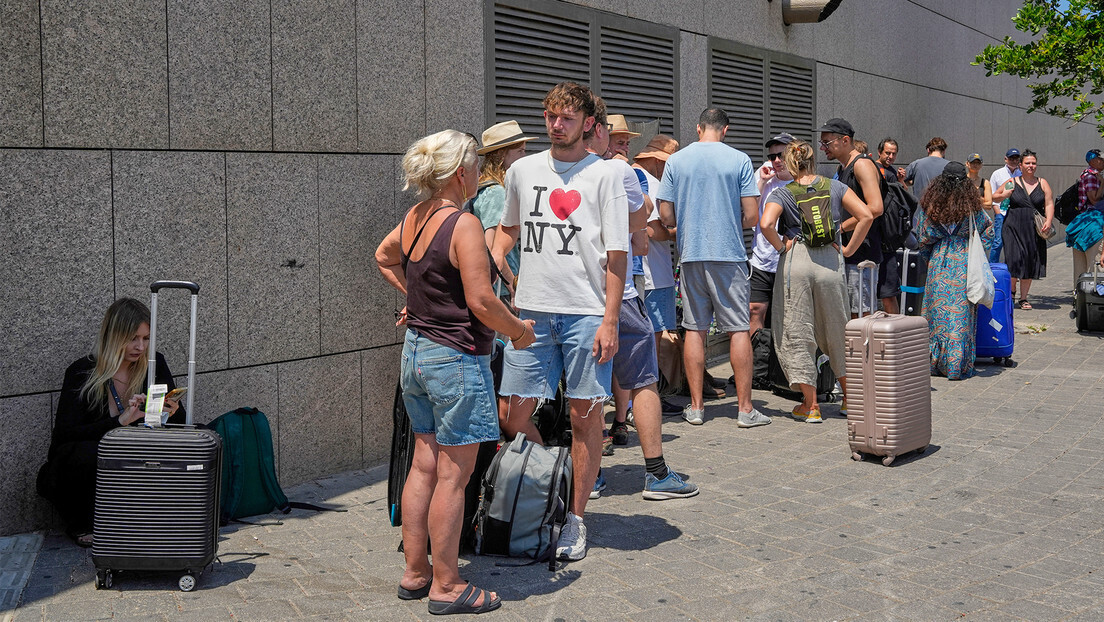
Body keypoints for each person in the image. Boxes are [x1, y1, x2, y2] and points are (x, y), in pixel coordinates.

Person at [375, 129, 536, 614]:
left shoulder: (415, 216)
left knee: (425, 463)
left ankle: (416, 572)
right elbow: (482, 300)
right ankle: (447, 585)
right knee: (453, 475)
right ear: (461, 172)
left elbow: (384, 257)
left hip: (416, 354)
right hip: (455, 359)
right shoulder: (462, 223)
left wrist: (416, 301)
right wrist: (517, 332)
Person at [490, 81, 629, 562]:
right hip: (531, 310)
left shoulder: (606, 175)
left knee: (583, 416)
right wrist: (496, 265)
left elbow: (617, 255)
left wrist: (610, 320)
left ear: (588, 123)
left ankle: (575, 519)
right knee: (513, 415)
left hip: (586, 313)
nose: (556, 125)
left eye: (567, 117)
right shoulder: (523, 171)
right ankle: (552, 480)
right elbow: (507, 230)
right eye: (550, 116)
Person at [587, 107, 697, 500]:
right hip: (620, 290)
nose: (622, 146)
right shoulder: (623, 173)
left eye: (627, 141)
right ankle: (655, 474)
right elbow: (642, 232)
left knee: (587, 388)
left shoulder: (557, 173)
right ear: (598, 132)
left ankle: (592, 476)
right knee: (641, 378)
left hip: (579, 296)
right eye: (617, 139)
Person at [37, 298, 184, 547]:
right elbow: (63, 437)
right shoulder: (82, 371)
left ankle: (174, 515)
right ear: (113, 335)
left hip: (139, 453)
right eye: (132, 338)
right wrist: (120, 421)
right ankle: (83, 521)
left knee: (203, 436)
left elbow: (177, 424)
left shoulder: (154, 363)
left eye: (146, 338)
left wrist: (173, 410)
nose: (140, 346)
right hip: (95, 463)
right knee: (83, 453)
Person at [656, 108, 771, 429]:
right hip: (729, 255)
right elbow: (751, 216)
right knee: (737, 329)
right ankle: (746, 410)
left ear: (698, 128)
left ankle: (695, 408)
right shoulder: (738, 160)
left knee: (694, 328)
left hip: (691, 254)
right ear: (725, 130)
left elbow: (666, 216)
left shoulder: (677, 161)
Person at [760, 140, 873, 421]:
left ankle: (810, 406)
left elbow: (765, 224)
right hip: (829, 261)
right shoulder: (834, 186)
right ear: (813, 161)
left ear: (789, 163)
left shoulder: (784, 193)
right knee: (837, 327)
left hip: (796, 260)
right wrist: (847, 249)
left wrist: (779, 246)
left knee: (797, 328)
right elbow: (866, 214)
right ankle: (850, 399)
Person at [915, 162, 994, 379]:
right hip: (964, 262)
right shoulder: (972, 207)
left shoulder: (931, 206)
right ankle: (956, 365)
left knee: (936, 314)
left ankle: (934, 362)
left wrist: (930, 257)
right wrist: (980, 253)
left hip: (938, 263)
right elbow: (988, 231)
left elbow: (923, 238)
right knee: (960, 315)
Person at [633, 134, 682, 416]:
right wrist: (678, 230)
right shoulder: (650, 182)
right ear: (656, 160)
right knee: (652, 337)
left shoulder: (632, 175)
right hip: (654, 274)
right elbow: (653, 230)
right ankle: (651, 396)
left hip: (647, 273)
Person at [818, 117, 886, 319]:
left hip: (861, 255)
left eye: (827, 142)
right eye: (822, 143)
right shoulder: (844, 167)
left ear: (845, 140)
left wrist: (841, 229)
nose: (823, 148)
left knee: (861, 316)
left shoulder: (861, 165)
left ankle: (864, 353)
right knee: (850, 315)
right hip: (851, 254)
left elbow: (875, 208)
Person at [471, 120, 536, 290]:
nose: (524, 157)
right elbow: (494, 247)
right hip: (501, 287)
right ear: (501, 155)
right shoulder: (496, 192)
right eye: (520, 151)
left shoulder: (481, 187)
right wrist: (511, 285)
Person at [750, 132, 795, 338]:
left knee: (786, 315)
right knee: (755, 310)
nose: (776, 161)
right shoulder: (763, 176)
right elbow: (749, 214)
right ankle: (757, 366)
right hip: (762, 259)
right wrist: (761, 181)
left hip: (789, 261)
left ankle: (780, 366)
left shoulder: (801, 181)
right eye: (772, 156)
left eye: (781, 155)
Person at [1001, 149, 1054, 310]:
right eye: (1027, 163)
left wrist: (1049, 220)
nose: (1031, 166)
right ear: (1021, 165)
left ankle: (1023, 299)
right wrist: (1005, 194)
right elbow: (995, 196)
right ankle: (1011, 292)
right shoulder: (1012, 181)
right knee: (1013, 260)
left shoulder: (1042, 182)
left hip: (1033, 228)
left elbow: (1049, 203)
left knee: (1029, 261)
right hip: (1013, 226)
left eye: (1033, 163)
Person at [1065, 149, 1104, 291]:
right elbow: (1094, 199)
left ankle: (1080, 298)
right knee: (1094, 268)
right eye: (1101, 159)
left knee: (1081, 270)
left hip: (1084, 224)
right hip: (1092, 224)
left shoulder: (1092, 174)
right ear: (1093, 161)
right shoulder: (1091, 176)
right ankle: (1092, 299)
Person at [988, 148, 1023, 262]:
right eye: (1011, 158)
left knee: (1015, 243)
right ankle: (993, 269)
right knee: (998, 242)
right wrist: (998, 213)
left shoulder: (1022, 174)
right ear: (1005, 159)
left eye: (1016, 158)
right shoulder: (997, 174)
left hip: (1017, 213)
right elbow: (992, 195)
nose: (1014, 161)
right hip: (1001, 213)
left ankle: (1012, 271)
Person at [905, 137, 950, 202]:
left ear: (928, 150)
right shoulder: (950, 166)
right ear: (944, 151)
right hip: (942, 209)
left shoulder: (916, 164)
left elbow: (900, 180)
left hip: (919, 209)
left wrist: (914, 181)